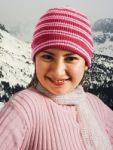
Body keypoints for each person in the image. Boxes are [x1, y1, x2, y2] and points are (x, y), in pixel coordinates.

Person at [0, 7, 113, 150]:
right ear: (36, 60)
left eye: (71, 58)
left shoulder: (94, 104)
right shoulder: (23, 108)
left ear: (86, 64)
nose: (58, 72)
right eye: (47, 56)